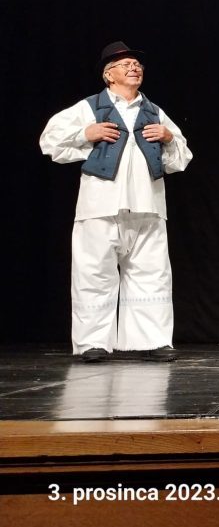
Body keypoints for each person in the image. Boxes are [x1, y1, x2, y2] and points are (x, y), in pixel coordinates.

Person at [40, 41, 193, 363]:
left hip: (148, 204)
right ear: (109, 75)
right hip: (100, 204)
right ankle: (92, 342)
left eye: (137, 64)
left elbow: (181, 156)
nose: (134, 68)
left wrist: (168, 138)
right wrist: (86, 134)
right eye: (126, 64)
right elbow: (50, 141)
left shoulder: (154, 111)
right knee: (95, 272)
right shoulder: (89, 108)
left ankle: (153, 340)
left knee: (151, 273)